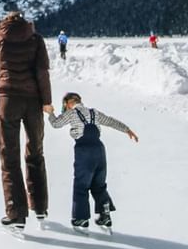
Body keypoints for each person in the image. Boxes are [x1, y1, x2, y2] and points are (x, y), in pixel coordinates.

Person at [0, 11, 52, 231]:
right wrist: (47, 101)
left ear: (4, 22)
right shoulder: (35, 38)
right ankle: (40, 207)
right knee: (35, 151)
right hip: (33, 102)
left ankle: (16, 213)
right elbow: (42, 71)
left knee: (9, 155)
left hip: (9, 102)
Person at [45, 91, 138, 231]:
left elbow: (56, 124)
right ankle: (104, 213)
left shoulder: (71, 113)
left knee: (81, 185)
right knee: (99, 184)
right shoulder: (94, 112)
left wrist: (50, 113)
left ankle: (81, 219)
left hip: (84, 151)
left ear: (68, 103)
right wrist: (127, 130)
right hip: (100, 150)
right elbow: (111, 121)